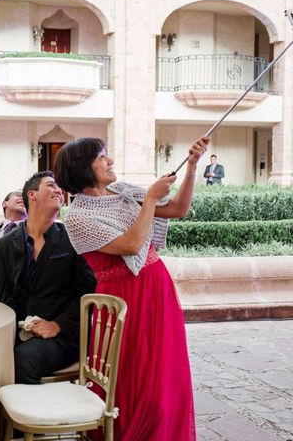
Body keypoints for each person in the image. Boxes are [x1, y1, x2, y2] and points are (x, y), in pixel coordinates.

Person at [53, 136, 209, 441]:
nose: (110, 161)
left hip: (156, 288)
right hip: (122, 300)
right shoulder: (78, 217)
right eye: (101, 157)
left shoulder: (124, 192)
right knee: (128, 379)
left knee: (165, 375)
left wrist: (191, 168)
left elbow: (178, 208)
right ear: (83, 167)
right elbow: (131, 244)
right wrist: (149, 199)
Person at [0, 171, 96, 384]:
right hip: (17, 333)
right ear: (31, 195)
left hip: (63, 337)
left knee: (24, 359)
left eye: (59, 187)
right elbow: (4, 297)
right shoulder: (2, 246)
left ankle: (28, 416)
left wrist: (57, 325)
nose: (59, 190)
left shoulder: (74, 239)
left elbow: (87, 292)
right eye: (50, 185)